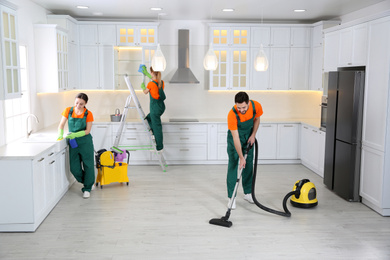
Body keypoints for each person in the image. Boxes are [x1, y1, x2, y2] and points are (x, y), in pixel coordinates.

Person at [226, 91, 263, 209]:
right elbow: (235, 137)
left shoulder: (256, 106)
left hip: (248, 137)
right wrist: (241, 157)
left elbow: (257, 119)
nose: (241, 110)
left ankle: (248, 193)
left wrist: (253, 135)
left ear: (248, 103)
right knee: (233, 165)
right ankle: (231, 198)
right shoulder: (232, 115)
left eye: (244, 107)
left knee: (248, 164)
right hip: (235, 140)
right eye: (239, 107)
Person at [57, 93, 95, 199]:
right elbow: (61, 124)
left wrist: (75, 134)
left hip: (85, 142)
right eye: (77, 103)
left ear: (85, 104)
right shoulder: (68, 110)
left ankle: (87, 189)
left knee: (88, 165)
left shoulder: (88, 114)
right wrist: (60, 134)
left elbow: (87, 131)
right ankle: (89, 182)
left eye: (81, 104)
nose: (78, 105)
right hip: (73, 142)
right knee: (74, 168)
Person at [139, 66, 166, 151]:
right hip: (161, 107)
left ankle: (159, 146)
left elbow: (145, 92)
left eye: (150, 72)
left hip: (155, 108)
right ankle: (152, 131)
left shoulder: (150, 84)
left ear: (153, 73)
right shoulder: (161, 82)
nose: (150, 74)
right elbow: (153, 78)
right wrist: (146, 72)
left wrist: (143, 87)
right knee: (148, 118)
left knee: (157, 126)